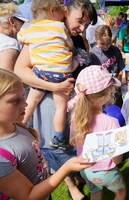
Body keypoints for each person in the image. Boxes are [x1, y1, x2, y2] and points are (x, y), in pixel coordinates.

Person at [14, 0, 97, 199]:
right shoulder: (46, 33)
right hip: (51, 101)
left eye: (87, 24)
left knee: (69, 144)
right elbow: (20, 71)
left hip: (72, 102)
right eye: (80, 21)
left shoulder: (74, 36)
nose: (82, 27)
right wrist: (55, 87)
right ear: (65, 12)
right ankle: (72, 187)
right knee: (55, 147)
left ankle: (75, 176)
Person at [0, 68, 95, 200]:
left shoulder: (16, 126)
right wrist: (66, 168)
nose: (25, 103)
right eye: (14, 100)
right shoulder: (1, 158)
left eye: (23, 96)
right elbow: (28, 196)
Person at [18, 0, 77, 151]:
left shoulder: (29, 27)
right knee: (60, 108)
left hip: (41, 73)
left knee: (30, 102)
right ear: (52, 11)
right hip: (61, 74)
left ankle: (19, 128)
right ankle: (58, 138)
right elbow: (69, 45)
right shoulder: (60, 26)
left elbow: (20, 38)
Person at [69, 65, 127, 200]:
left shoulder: (75, 117)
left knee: (95, 193)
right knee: (121, 192)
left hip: (86, 170)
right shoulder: (111, 122)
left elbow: (73, 142)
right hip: (106, 172)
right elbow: (117, 160)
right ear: (104, 97)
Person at [0, 3, 27, 72]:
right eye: (22, 22)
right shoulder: (9, 43)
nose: (24, 26)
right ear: (12, 22)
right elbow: (8, 80)